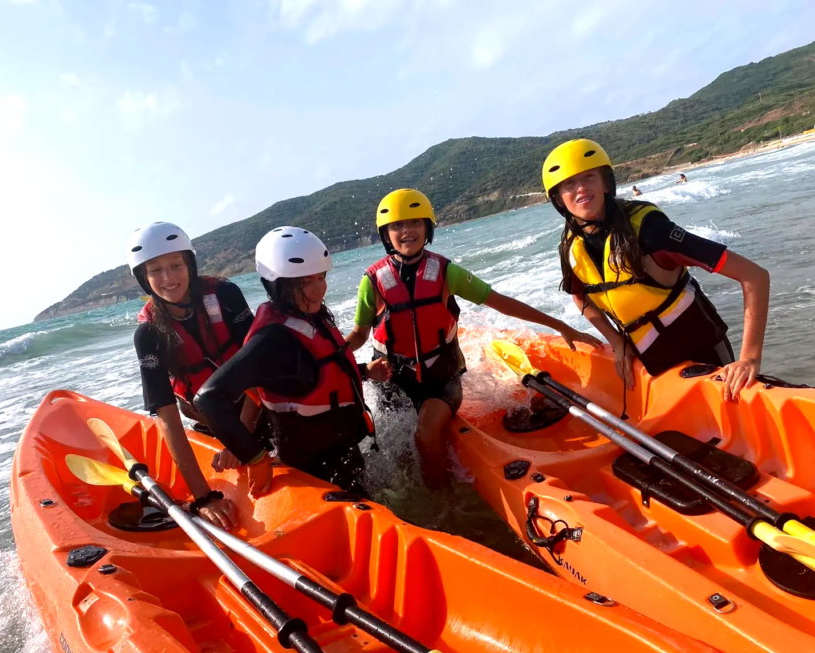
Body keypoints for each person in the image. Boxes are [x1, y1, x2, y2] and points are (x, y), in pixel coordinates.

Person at [346, 189, 601, 488]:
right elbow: (360, 334)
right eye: (397, 225)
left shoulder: (446, 272)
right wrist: (330, 356)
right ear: (386, 234)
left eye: (415, 222)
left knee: (424, 433)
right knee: (398, 455)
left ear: (427, 228)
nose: (406, 231)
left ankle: (442, 506)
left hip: (440, 377)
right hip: (392, 383)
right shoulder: (373, 281)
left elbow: (500, 301)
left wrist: (559, 324)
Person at [541, 139, 770, 401]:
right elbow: (581, 297)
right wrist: (617, 343)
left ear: (606, 183)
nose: (580, 188)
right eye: (569, 183)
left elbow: (754, 276)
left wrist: (749, 359)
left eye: (589, 177)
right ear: (558, 198)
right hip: (654, 364)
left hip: (706, 355)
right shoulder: (572, 246)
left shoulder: (651, 230)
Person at [195, 228, 390, 497]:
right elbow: (208, 399)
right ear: (277, 286)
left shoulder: (310, 315)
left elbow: (311, 374)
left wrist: (364, 372)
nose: (318, 290)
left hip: (341, 454)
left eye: (321, 277)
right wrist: (254, 457)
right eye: (304, 283)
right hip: (313, 473)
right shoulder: (272, 338)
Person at [128, 221, 261, 530]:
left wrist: (241, 441)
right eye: (155, 270)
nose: (168, 278)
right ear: (144, 279)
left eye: (176, 265)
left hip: (256, 406)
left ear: (189, 263)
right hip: (210, 423)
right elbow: (167, 417)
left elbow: (258, 367)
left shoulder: (226, 294)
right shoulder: (149, 334)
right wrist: (204, 498)